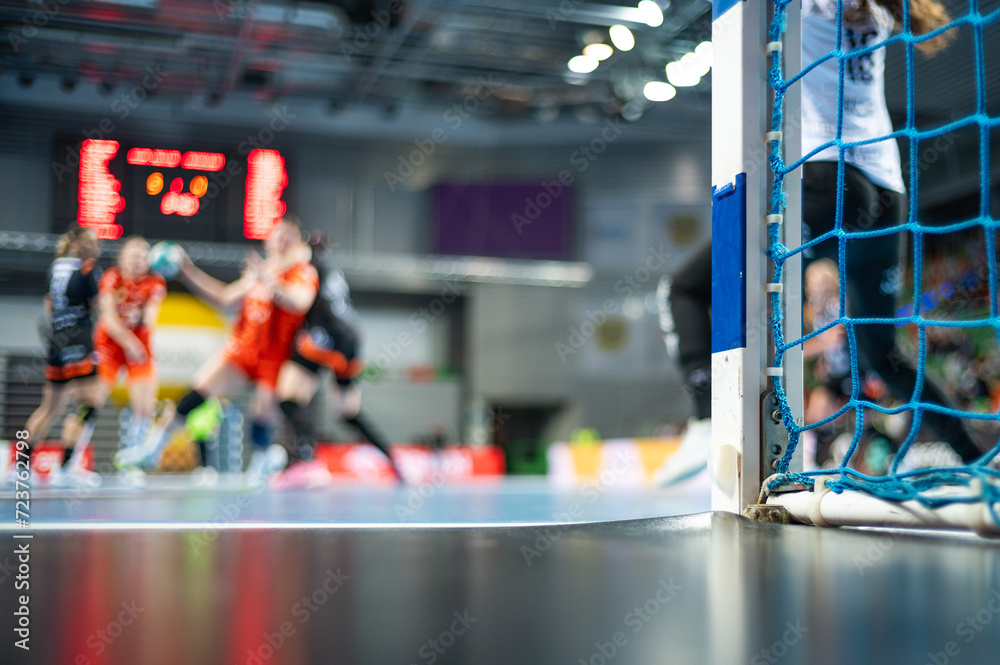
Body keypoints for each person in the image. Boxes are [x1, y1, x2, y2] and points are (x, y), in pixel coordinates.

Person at [654, 0, 977, 486]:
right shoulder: (882, 12)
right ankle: (976, 456)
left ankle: (706, 418)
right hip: (886, 193)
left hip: (828, 178)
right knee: (884, 354)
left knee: (686, 288)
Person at [114, 218, 319, 485]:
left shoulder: (301, 272)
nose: (281, 243)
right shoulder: (259, 271)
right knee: (194, 394)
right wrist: (187, 271)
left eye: (288, 238)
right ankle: (152, 449)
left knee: (263, 415)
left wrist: (271, 279)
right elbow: (224, 297)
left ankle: (263, 462)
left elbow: (300, 302)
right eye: (276, 236)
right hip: (241, 350)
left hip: (275, 357)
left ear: (298, 243)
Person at [274, 231, 403, 485]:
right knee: (347, 412)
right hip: (350, 340)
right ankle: (393, 458)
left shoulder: (306, 263)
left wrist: (268, 273)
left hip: (325, 336)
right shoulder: (333, 270)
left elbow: (299, 298)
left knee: (288, 396)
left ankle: (307, 459)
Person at [15, 226, 104, 487]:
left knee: (50, 408)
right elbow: (99, 305)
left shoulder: (54, 268)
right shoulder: (87, 268)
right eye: (91, 241)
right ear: (75, 242)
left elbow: (48, 306)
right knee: (90, 402)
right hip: (79, 338)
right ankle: (66, 466)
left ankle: (20, 466)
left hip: (56, 342)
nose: (96, 247)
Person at [64, 236, 166, 462]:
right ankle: (69, 461)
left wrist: (143, 317)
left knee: (145, 407)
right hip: (109, 346)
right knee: (90, 403)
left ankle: (133, 461)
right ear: (122, 258)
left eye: (143, 256)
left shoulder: (156, 282)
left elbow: (151, 318)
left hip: (140, 348)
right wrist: (130, 343)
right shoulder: (112, 277)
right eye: (133, 255)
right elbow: (108, 319)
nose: (138, 260)